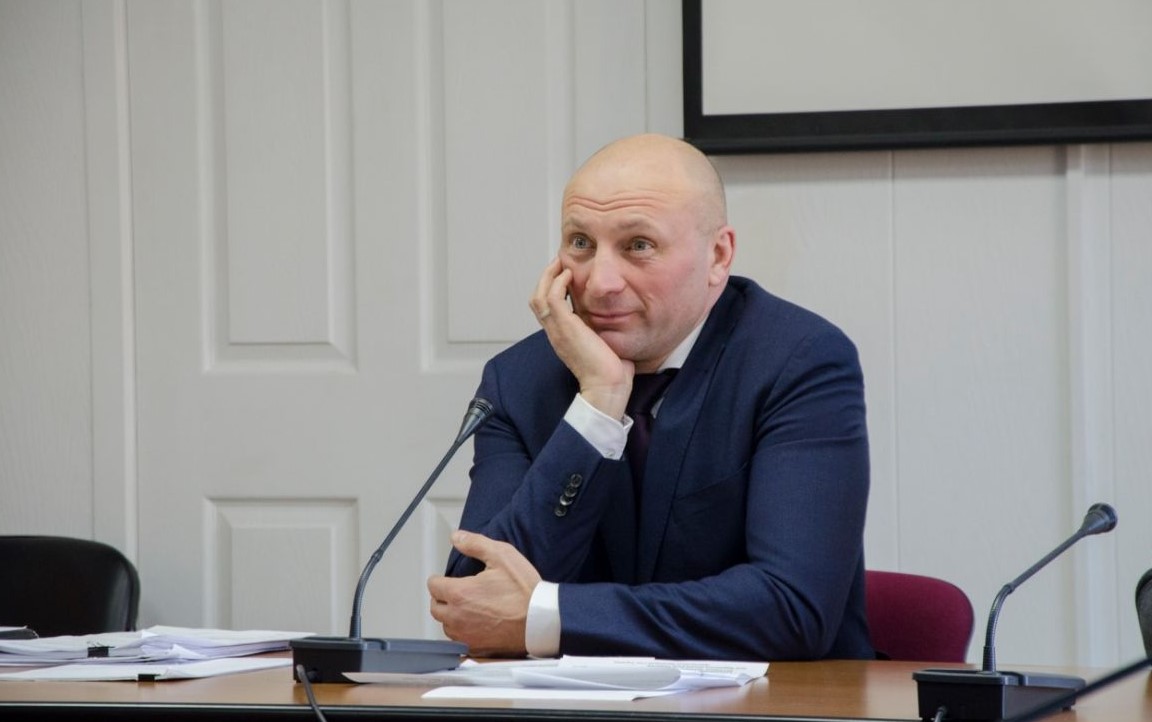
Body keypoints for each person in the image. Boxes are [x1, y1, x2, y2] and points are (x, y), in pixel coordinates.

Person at [426, 133, 872, 661]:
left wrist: (553, 615)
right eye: (580, 243)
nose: (599, 283)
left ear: (718, 255)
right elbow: (476, 597)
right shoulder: (518, 380)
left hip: (784, 702)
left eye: (638, 245)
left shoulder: (798, 362)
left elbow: (792, 609)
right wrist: (597, 406)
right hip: (571, 705)